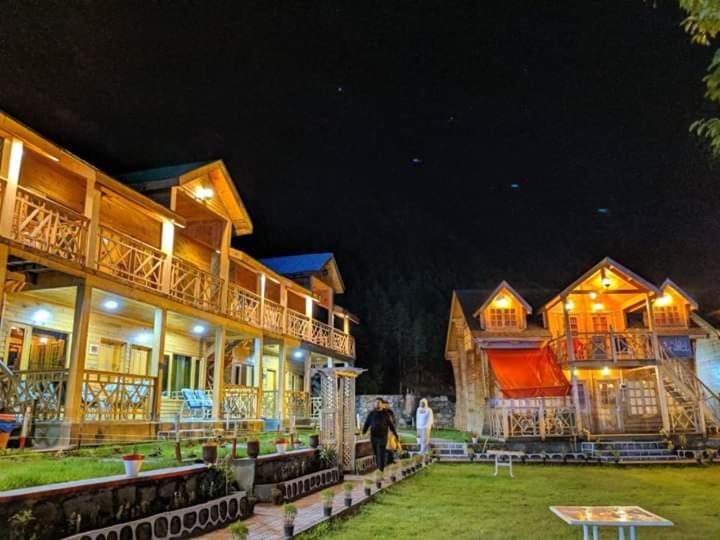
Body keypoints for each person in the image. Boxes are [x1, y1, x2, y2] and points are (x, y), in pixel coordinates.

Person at [362, 397, 399, 472]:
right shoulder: (371, 413)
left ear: (382, 404)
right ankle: (380, 466)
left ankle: (380, 470)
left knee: (381, 453)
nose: (377, 404)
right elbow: (367, 423)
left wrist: (395, 433)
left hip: (382, 437)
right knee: (376, 453)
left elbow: (391, 424)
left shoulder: (386, 414)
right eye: (376, 402)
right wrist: (363, 432)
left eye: (379, 402)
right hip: (373, 437)